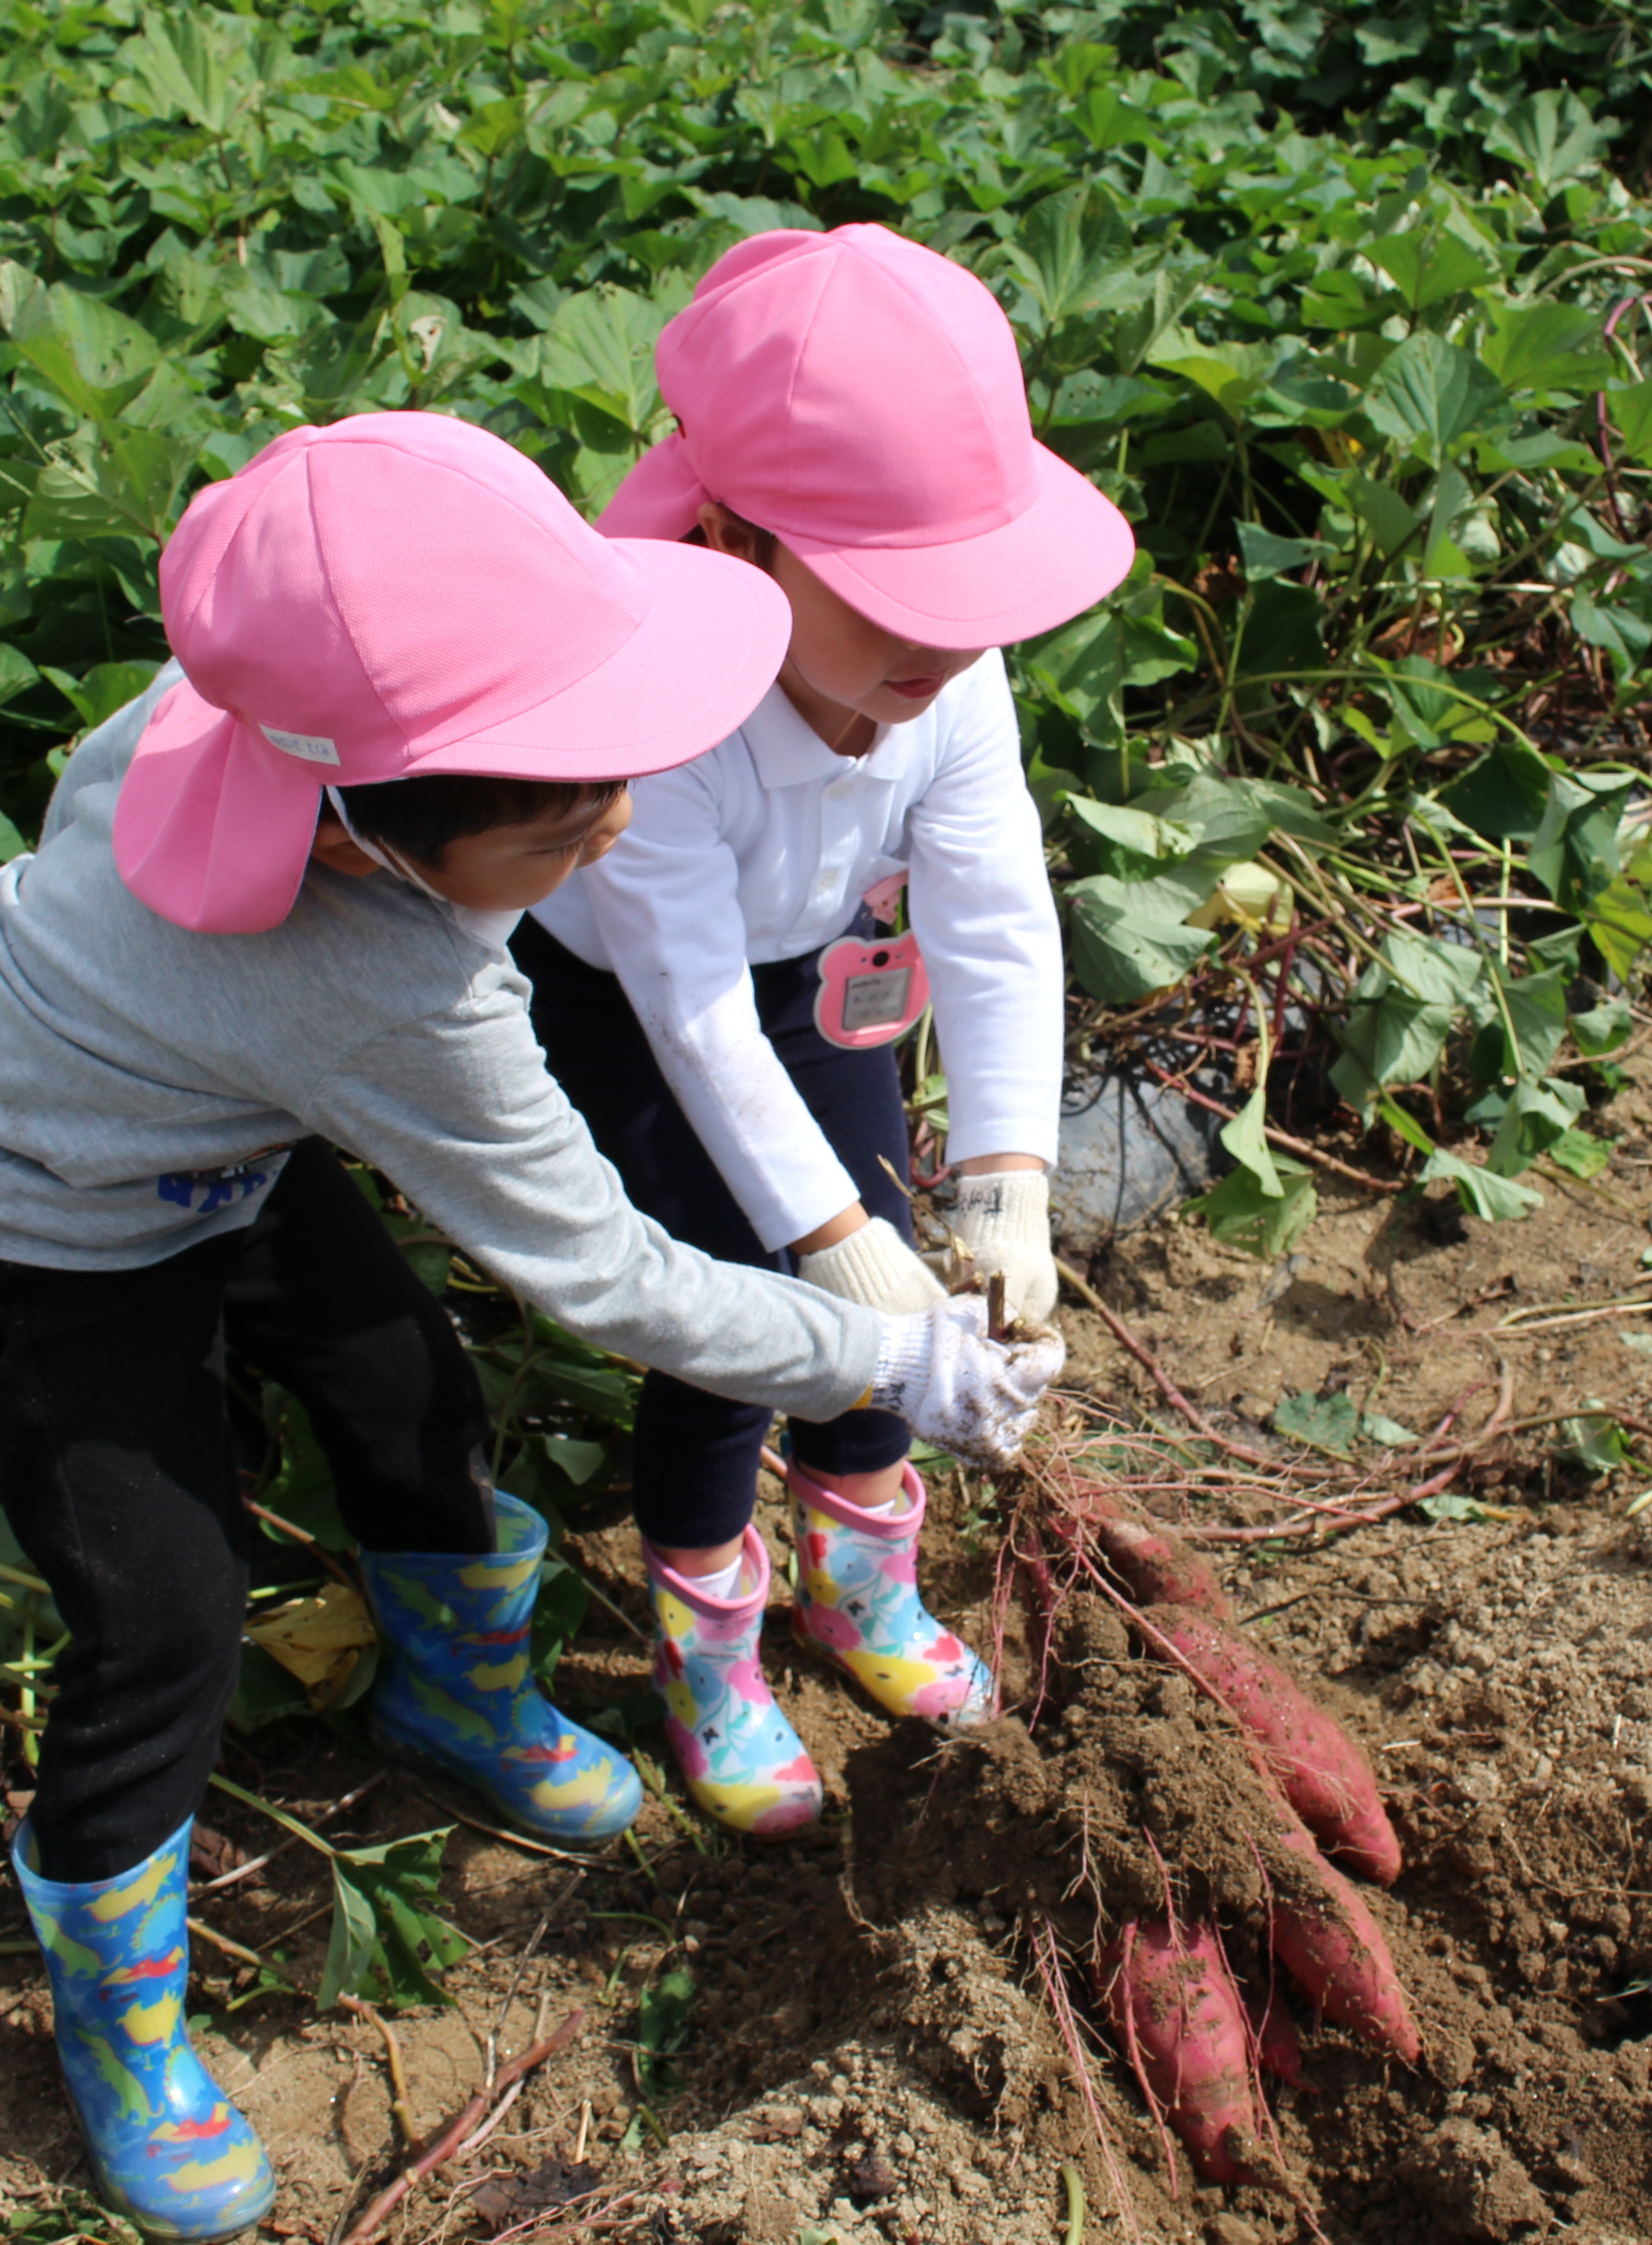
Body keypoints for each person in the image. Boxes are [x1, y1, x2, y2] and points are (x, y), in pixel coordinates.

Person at [0, 413, 1063, 2244]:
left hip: (216, 1149)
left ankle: (451, 1696)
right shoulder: (384, 988)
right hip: (22, 1229)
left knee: (414, 1406)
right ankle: (120, 2016)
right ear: (371, 847)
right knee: (162, 1616)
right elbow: (607, 1277)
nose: (621, 827)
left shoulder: (247, 715)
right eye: (566, 816)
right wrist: (895, 1364)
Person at [514, 224, 1132, 1837]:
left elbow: (993, 913)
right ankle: (708, 1643)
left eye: (960, 604)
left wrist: (1002, 1178)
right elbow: (695, 1011)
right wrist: (827, 1242)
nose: (935, 649)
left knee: (906, 1291)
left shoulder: (955, 676)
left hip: (813, 969)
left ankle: (858, 1580)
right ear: (734, 540)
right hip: (631, 1000)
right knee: (738, 1311)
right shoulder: (652, 723)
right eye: (889, 607)